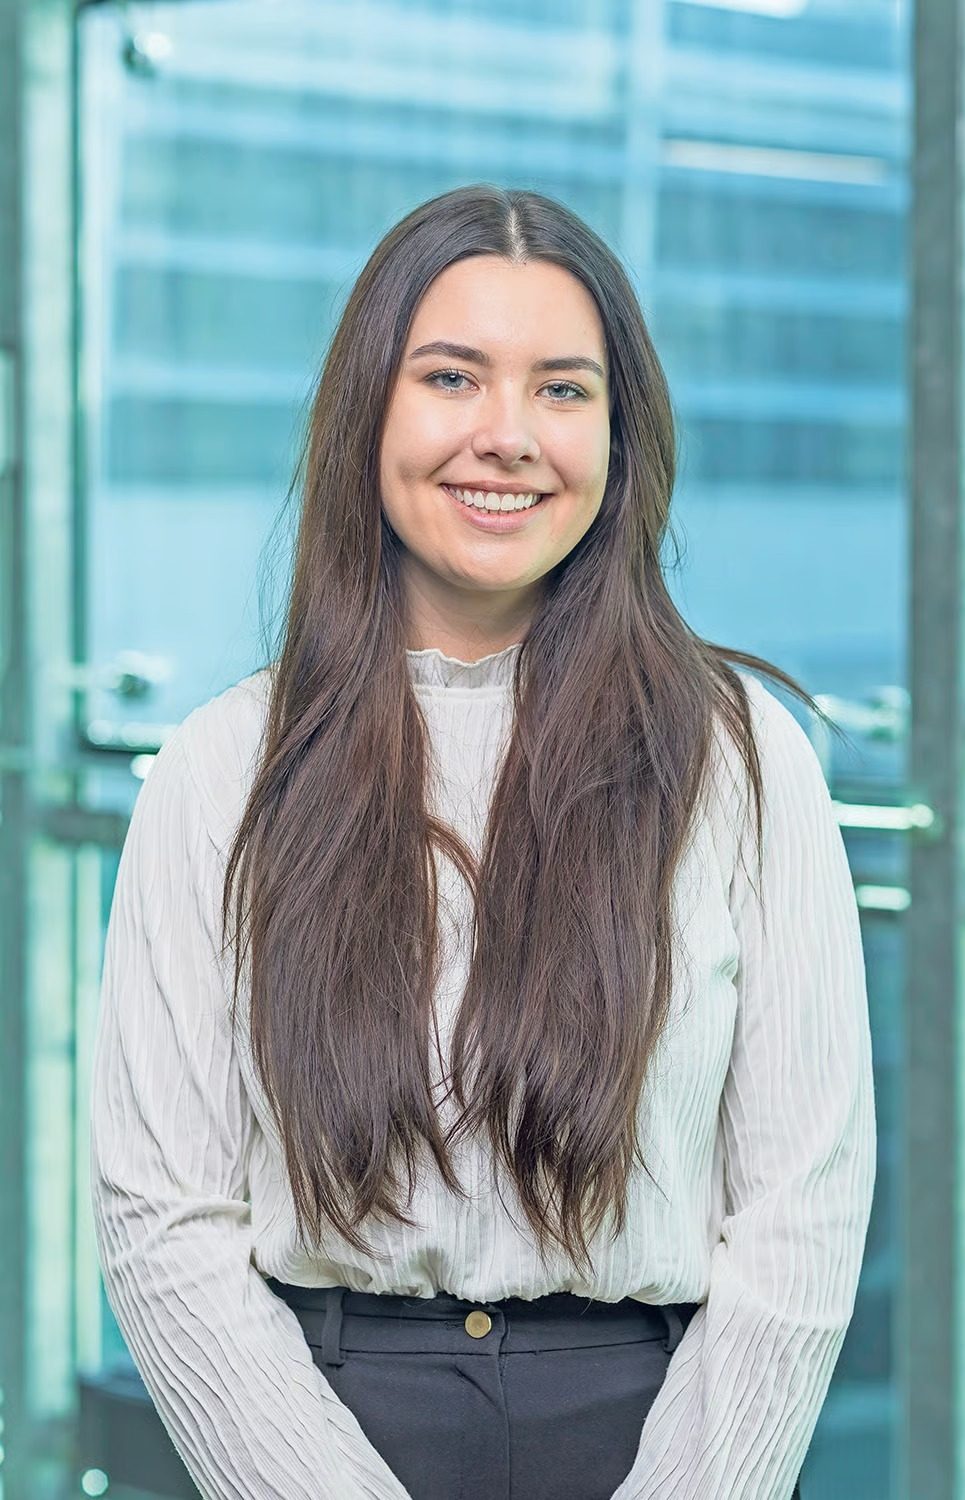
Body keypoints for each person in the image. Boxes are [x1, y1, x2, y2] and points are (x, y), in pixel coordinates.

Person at [89, 183, 877, 1500]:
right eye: (453, 376)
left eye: (563, 390)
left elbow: (802, 1212)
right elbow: (161, 1220)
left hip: (662, 1432)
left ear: (621, 440)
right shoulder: (224, 768)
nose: (508, 437)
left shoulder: (741, 757)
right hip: (310, 1431)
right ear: (369, 415)